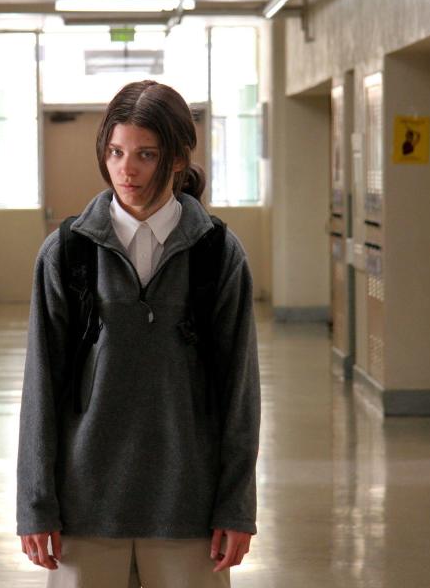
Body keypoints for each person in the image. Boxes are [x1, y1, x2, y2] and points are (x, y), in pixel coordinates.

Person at [16, 80, 260, 588]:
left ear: (176, 159)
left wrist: (237, 505)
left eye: (146, 154)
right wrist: (36, 505)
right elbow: (40, 386)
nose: (127, 168)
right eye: (116, 152)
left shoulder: (218, 254)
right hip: (84, 508)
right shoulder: (66, 253)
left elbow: (241, 390)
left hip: (188, 509)